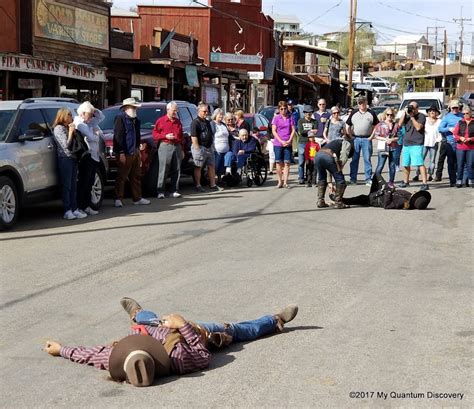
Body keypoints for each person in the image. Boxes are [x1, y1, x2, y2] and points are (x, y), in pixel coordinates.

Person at [44, 297, 299, 387]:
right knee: (237, 330)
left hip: (153, 325)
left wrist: (60, 349)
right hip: (191, 334)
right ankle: (274, 321)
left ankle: (137, 312)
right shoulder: (178, 357)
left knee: (147, 320)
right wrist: (182, 325)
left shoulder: (115, 359)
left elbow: (87, 354)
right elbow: (203, 356)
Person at [113, 98, 151, 207]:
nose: (135, 109)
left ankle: (137, 198)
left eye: (135, 107)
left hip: (134, 150)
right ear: (126, 108)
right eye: (133, 107)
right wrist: (120, 152)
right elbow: (118, 137)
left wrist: (138, 149)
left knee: (136, 175)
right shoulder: (120, 118)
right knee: (122, 176)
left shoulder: (136, 120)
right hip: (124, 152)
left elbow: (137, 136)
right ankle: (118, 198)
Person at [52, 108, 84, 220]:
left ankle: (74, 208)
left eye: (71, 114)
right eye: (69, 114)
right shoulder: (58, 129)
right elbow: (65, 145)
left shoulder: (68, 127)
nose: (71, 116)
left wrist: (73, 131)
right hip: (65, 158)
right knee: (67, 185)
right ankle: (67, 209)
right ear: (63, 116)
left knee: (73, 185)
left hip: (74, 157)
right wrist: (70, 133)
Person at [74, 101, 105, 215]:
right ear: (82, 113)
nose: (92, 117)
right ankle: (82, 206)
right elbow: (92, 137)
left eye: (92, 115)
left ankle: (86, 205)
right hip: (87, 156)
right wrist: (95, 133)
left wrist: (93, 109)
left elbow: (101, 117)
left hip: (94, 155)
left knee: (90, 182)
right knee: (85, 182)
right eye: (90, 114)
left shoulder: (89, 122)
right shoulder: (80, 123)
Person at [340, 174, 431, 210]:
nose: (415, 191)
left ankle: (341, 200)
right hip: (380, 192)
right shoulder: (408, 195)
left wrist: (389, 192)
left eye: (416, 193)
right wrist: (392, 189)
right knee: (377, 175)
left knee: (360, 198)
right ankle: (341, 199)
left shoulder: (402, 202)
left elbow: (387, 205)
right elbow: (395, 192)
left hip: (376, 199)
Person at [153, 101, 184, 199]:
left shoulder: (178, 122)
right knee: (163, 169)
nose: (175, 112)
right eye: (174, 110)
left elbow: (182, 136)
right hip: (165, 145)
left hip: (177, 146)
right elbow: (155, 135)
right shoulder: (161, 121)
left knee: (177, 169)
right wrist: (165, 136)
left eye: (176, 110)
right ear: (168, 110)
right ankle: (160, 191)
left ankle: (174, 190)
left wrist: (182, 149)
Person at [346, 96, 379, 186]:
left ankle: (368, 179)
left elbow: (376, 126)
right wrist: (350, 136)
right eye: (360, 103)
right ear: (358, 104)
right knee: (354, 159)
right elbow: (347, 125)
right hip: (356, 139)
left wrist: (372, 136)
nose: (362, 105)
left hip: (367, 139)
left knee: (367, 159)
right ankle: (353, 179)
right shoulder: (353, 113)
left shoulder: (371, 113)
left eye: (363, 102)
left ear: (366, 102)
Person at [314, 136, 354, 209]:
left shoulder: (334, 143)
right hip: (327, 157)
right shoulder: (347, 143)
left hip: (318, 155)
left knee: (322, 178)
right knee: (341, 180)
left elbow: (329, 167)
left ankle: (320, 201)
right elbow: (344, 155)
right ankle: (338, 202)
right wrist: (339, 168)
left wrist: (330, 183)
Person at [398, 101, 429, 191]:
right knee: (406, 164)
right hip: (406, 143)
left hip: (417, 143)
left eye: (413, 107)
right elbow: (399, 125)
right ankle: (406, 181)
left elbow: (418, 127)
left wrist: (412, 117)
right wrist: (404, 112)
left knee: (419, 163)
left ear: (417, 108)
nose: (412, 109)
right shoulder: (406, 116)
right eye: (410, 107)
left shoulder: (421, 116)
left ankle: (424, 183)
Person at [191, 103, 221, 192]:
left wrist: (211, 146)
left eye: (207, 111)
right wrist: (197, 149)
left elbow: (211, 134)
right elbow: (194, 137)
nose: (206, 113)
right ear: (199, 111)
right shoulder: (195, 122)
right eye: (204, 111)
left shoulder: (207, 122)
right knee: (198, 166)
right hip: (200, 147)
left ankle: (213, 184)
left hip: (209, 147)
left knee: (211, 166)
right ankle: (198, 185)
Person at [436, 100, 463, 185]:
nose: (455, 109)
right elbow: (440, 129)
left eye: (456, 108)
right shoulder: (446, 117)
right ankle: (452, 180)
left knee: (459, 162)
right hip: (450, 142)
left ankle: (459, 179)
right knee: (451, 162)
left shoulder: (462, 116)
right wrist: (449, 129)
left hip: (460, 142)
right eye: (453, 108)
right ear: (450, 108)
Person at [372, 108, 400, 188]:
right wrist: (385, 139)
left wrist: (392, 139)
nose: (389, 116)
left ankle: (391, 182)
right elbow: (376, 136)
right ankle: (376, 182)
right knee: (380, 165)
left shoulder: (396, 125)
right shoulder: (380, 125)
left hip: (393, 147)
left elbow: (398, 137)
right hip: (383, 147)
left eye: (391, 115)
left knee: (392, 165)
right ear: (385, 115)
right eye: (388, 114)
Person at [414, 105, 441, 183]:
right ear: (428, 113)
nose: (432, 112)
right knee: (420, 159)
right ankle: (417, 174)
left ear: (436, 113)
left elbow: (440, 133)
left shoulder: (439, 121)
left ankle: (430, 175)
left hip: (434, 143)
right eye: (430, 111)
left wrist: (438, 140)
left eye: (434, 111)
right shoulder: (425, 120)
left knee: (432, 160)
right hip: (424, 142)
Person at [272, 100, 295, 188]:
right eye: (281, 109)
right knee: (278, 162)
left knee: (287, 163)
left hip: (288, 142)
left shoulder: (290, 117)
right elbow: (274, 131)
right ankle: (279, 181)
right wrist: (281, 141)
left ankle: (285, 182)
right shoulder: (276, 118)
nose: (283, 111)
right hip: (278, 143)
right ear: (279, 109)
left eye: (285, 109)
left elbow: (293, 130)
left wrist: (289, 140)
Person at [453, 105, 474, 187]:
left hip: (471, 147)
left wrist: (471, 139)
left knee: (471, 164)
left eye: (467, 113)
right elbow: (455, 134)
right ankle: (459, 180)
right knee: (460, 164)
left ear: (471, 113)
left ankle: (471, 180)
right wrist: (460, 138)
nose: (465, 115)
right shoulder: (460, 122)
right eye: (464, 114)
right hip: (460, 147)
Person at [211, 108, 234, 183]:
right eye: (219, 115)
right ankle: (213, 182)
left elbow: (229, 136)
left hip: (226, 149)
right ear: (215, 115)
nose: (221, 116)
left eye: (222, 115)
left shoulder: (223, 124)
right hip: (217, 149)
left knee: (222, 165)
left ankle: (220, 179)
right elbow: (210, 136)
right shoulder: (212, 124)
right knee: (216, 166)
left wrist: (237, 138)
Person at [297, 105, 318, 184]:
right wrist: (311, 130)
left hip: (311, 144)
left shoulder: (314, 121)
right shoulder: (300, 121)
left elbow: (316, 130)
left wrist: (309, 131)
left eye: (310, 112)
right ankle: (301, 178)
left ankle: (309, 177)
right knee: (301, 162)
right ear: (304, 113)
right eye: (306, 112)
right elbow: (301, 132)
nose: (308, 114)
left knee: (310, 162)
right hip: (302, 143)